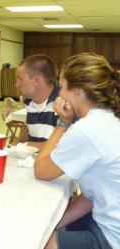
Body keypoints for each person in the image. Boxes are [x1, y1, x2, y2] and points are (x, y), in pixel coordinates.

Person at [34, 53, 120, 249]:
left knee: (41, 242)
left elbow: (41, 170)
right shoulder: (109, 119)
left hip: (113, 236)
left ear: (78, 91)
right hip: (107, 215)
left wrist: (63, 123)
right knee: (53, 229)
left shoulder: (87, 129)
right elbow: (92, 195)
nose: (59, 93)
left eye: (62, 87)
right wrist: (56, 224)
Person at [11, 54, 60, 150]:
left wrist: (25, 146)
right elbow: (32, 128)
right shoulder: (30, 103)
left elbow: (59, 148)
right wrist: (16, 143)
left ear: (36, 81)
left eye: (20, 79)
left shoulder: (61, 105)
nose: (16, 84)